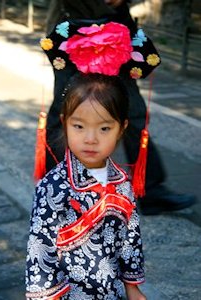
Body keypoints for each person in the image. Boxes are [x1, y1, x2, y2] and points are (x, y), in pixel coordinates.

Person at [44, 0, 196, 215]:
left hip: (117, 32)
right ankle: (56, 192)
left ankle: (149, 190)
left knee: (134, 115)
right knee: (65, 113)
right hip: (71, 29)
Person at [26, 73, 146, 299]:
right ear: (65, 123)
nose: (91, 138)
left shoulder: (122, 182)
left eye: (104, 129)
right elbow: (39, 248)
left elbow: (131, 238)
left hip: (113, 291)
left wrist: (132, 286)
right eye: (79, 126)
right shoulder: (53, 187)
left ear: (121, 128)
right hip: (71, 293)